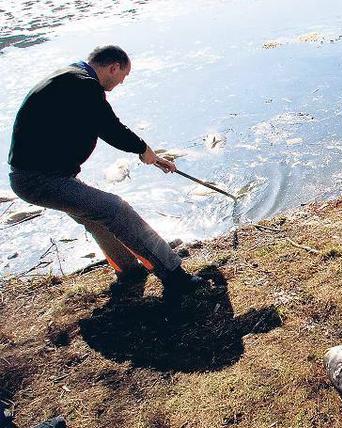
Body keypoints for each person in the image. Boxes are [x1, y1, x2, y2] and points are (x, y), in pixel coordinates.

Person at [7, 45, 207, 300]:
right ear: (113, 67)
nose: (120, 83)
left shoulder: (70, 77)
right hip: (40, 180)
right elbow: (110, 128)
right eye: (123, 76)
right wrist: (142, 148)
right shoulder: (84, 85)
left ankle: (129, 270)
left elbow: (95, 123)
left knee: (95, 216)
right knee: (116, 209)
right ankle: (175, 276)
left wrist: (151, 156)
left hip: (41, 176)